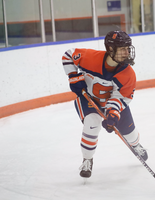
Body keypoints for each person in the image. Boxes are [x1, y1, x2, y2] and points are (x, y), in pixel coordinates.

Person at [62, 30, 148, 178]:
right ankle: (87, 160)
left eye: (128, 48)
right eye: (122, 49)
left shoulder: (128, 74)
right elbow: (68, 55)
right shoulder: (90, 58)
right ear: (110, 50)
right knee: (92, 121)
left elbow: (122, 97)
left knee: (130, 133)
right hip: (88, 98)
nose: (127, 53)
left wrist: (112, 112)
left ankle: (135, 145)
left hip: (111, 102)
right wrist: (73, 76)